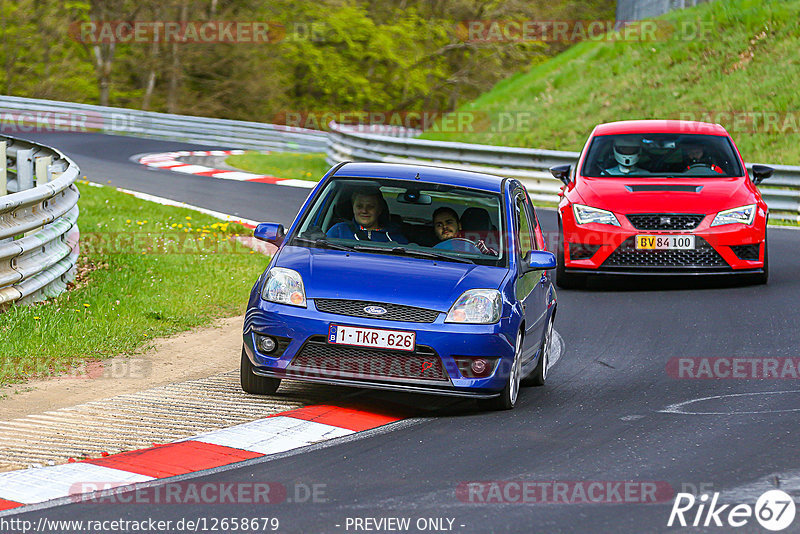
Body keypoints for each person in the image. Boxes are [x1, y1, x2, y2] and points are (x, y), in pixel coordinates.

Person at [327, 187, 408, 243]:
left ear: (379, 210)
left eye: (370, 207)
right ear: (353, 208)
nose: (364, 211)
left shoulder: (396, 239)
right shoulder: (338, 231)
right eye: (359, 206)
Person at [431, 207, 496, 255]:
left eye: (449, 222)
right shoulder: (426, 250)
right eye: (439, 225)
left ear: (459, 225)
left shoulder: (477, 246)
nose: (444, 227)